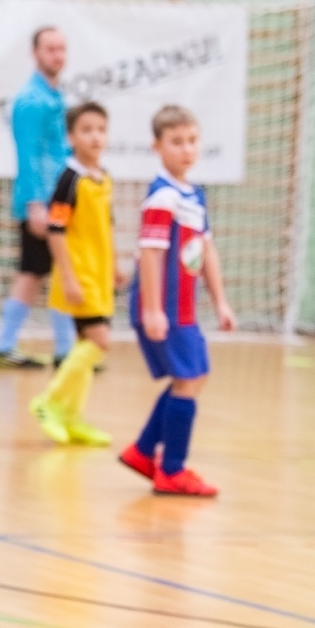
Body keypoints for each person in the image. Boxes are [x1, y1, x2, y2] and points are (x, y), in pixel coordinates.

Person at [120, 105, 236, 496]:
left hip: (183, 307)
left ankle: (142, 451)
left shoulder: (194, 196)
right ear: (158, 146)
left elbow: (206, 251)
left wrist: (221, 302)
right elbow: (150, 254)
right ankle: (171, 469)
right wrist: (153, 309)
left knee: (191, 377)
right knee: (191, 378)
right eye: (176, 142)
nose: (186, 150)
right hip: (164, 306)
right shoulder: (162, 198)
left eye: (192, 141)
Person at [29, 102, 119, 446]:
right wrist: (67, 276)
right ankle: (49, 401)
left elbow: (105, 226)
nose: (95, 136)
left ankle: (72, 415)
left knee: (87, 345)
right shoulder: (70, 179)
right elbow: (56, 230)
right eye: (86, 130)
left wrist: (115, 265)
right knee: (100, 342)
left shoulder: (104, 177)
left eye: (100, 129)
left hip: (99, 274)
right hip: (79, 274)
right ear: (71, 137)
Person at [0, 27, 77, 369]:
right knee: (34, 271)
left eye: (61, 48)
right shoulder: (31, 100)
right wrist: (35, 205)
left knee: (53, 270)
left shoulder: (55, 98)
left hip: (58, 198)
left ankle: (64, 349)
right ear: (36, 53)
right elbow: (26, 155)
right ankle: (8, 345)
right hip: (40, 202)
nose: (57, 55)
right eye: (50, 49)